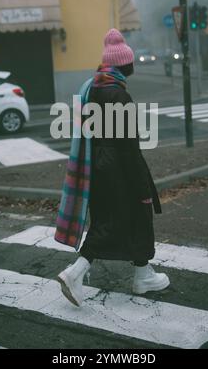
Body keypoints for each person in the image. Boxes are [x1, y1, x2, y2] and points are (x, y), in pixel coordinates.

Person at [55, 28, 170, 307]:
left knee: (116, 219)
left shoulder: (94, 87)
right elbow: (128, 145)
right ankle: (76, 272)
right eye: (130, 61)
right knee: (125, 217)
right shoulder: (117, 95)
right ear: (123, 64)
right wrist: (142, 184)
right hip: (118, 168)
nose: (133, 64)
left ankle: (143, 274)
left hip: (99, 166)